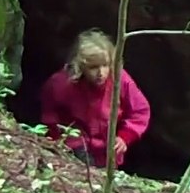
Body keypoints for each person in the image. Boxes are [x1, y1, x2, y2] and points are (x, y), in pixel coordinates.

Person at [39, 29, 150, 168]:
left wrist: (125, 136)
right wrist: (57, 138)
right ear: (81, 66)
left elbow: (140, 111)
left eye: (105, 65)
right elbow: (50, 113)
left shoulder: (120, 80)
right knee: (83, 169)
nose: (101, 73)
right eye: (93, 67)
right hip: (75, 142)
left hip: (107, 147)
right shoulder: (62, 84)